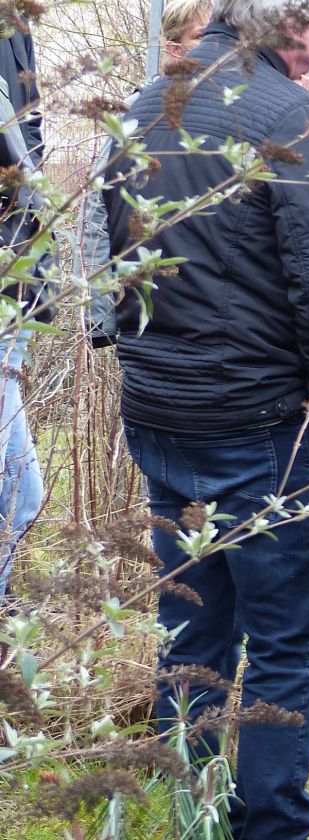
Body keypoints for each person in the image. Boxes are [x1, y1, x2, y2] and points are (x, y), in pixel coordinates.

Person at [102, 2, 309, 836]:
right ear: (295, 27)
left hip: (161, 413)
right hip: (260, 428)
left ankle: (191, 807)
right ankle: (271, 821)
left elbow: (113, 251)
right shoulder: (294, 117)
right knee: (288, 643)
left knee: (192, 625)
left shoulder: (147, 102)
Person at [80, 0, 214, 348]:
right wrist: (102, 315)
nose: (216, 44)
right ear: (173, 48)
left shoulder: (246, 110)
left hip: (224, 317)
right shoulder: (136, 114)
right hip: (150, 319)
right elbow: (97, 207)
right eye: (203, 35)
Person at [0, 5, 48, 606]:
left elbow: (30, 144)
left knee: (19, 495)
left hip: (14, 284)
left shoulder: (15, 28)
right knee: (17, 493)